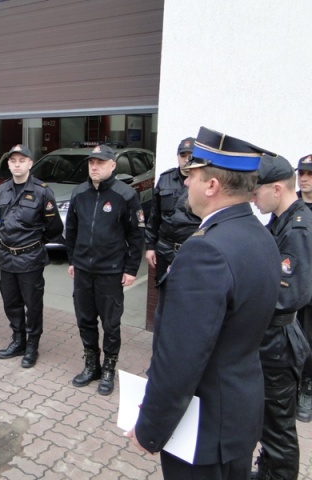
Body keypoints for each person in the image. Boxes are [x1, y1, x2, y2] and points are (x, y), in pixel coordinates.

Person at [127, 127, 282, 480]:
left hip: (203, 431)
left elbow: (180, 359)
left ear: (211, 185)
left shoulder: (205, 251)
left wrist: (150, 428)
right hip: (237, 417)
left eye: (192, 175)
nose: (185, 182)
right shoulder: (260, 235)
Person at [250, 153, 312, 480]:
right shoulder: (280, 219)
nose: (252, 198)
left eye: (256, 190)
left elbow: (289, 295)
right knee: (268, 421)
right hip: (270, 339)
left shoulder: (298, 227)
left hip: (279, 343)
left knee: (278, 428)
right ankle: (267, 472)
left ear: (276, 189)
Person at [65, 144, 145, 395]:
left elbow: (136, 235)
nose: (94, 167)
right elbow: (71, 230)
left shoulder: (125, 195)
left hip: (110, 271)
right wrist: (72, 260)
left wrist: (131, 269)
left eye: (100, 163)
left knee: (110, 324)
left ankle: (109, 368)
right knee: (85, 320)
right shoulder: (79, 192)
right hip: (83, 270)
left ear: (112, 165)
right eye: (91, 163)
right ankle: (92, 365)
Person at [0, 144, 63, 368]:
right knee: (10, 302)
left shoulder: (42, 191)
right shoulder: (2, 189)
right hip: (6, 256)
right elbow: (2, 220)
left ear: (30, 164)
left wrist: (35, 242)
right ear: (8, 164)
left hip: (30, 258)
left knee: (32, 305)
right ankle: (18, 341)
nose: (17, 165)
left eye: (22, 161)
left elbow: (55, 227)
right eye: (13, 161)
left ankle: (32, 345)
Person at [144, 137, 200, 283]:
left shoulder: (204, 182)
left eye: (191, 155)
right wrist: (150, 246)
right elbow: (154, 216)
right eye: (183, 155)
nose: (186, 160)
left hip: (192, 251)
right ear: (177, 156)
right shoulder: (165, 179)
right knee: (163, 289)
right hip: (164, 250)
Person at [296, 153, 312, 423]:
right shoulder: (291, 203)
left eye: (310, 174)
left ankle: (307, 387)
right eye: (302, 174)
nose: (305, 179)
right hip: (291, 284)